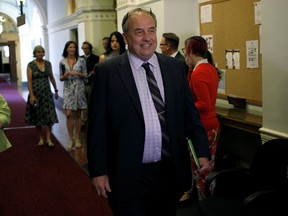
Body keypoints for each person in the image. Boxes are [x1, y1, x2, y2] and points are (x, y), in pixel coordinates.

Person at [87, 8, 210, 216]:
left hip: (169, 171)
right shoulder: (107, 72)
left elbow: (190, 114)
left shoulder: (175, 68)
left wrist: (202, 152)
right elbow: (97, 127)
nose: (147, 38)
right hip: (128, 173)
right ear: (126, 37)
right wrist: (98, 170)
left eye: (151, 30)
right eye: (139, 32)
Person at [183, 36, 221, 199]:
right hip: (211, 124)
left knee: (201, 167)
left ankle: (204, 202)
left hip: (204, 126)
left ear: (191, 51)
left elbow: (204, 104)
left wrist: (184, 107)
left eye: (185, 51)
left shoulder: (199, 73)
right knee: (207, 167)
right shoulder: (209, 68)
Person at [24, 45, 59, 147]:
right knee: (37, 116)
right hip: (35, 94)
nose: (40, 54)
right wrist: (31, 95)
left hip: (47, 94)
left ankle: (48, 138)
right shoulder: (31, 65)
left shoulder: (48, 64)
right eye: (38, 52)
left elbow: (51, 77)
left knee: (49, 115)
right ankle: (40, 138)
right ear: (34, 54)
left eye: (42, 52)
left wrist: (56, 90)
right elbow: (29, 81)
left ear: (44, 53)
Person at [59, 41, 87, 151]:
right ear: (66, 49)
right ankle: (71, 139)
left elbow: (85, 75)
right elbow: (61, 78)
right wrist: (65, 76)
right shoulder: (62, 62)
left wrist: (77, 74)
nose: (72, 49)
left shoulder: (81, 61)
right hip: (68, 89)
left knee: (78, 113)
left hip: (79, 88)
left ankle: (78, 138)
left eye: (74, 47)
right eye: (70, 47)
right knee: (69, 114)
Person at [80, 41, 99, 127]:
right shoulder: (79, 58)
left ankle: (92, 120)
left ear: (90, 49)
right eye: (83, 48)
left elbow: (96, 70)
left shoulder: (96, 58)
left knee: (92, 102)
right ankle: (84, 121)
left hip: (91, 83)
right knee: (83, 103)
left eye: (86, 48)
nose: (85, 50)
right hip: (82, 83)